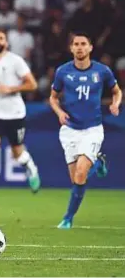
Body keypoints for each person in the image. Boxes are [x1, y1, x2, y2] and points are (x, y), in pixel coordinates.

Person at [50, 32, 122, 229]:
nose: (80, 47)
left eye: (83, 44)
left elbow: (116, 91)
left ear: (90, 47)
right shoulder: (63, 72)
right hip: (69, 130)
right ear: (71, 48)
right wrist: (59, 112)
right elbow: (53, 97)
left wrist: (116, 104)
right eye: (76, 44)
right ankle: (98, 162)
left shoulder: (102, 71)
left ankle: (67, 218)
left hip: (92, 129)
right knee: (75, 179)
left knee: (81, 174)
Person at [0, 28, 41, 210]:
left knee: (17, 154)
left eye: (1, 38)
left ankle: (31, 167)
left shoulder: (16, 61)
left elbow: (32, 84)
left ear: (6, 43)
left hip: (15, 115)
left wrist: (11, 89)